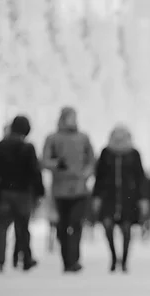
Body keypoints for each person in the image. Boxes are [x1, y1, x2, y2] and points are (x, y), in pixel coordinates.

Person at [0, 115, 45, 272]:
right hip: (23, 193)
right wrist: (39, 192)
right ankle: (25, 258)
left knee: (1, 227)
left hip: (4, 192)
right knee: (22, 227)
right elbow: (34, 172)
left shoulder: (0, 146)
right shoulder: (28, 148)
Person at [42, 106, 95, 273]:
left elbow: (92, 160)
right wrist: (57, 164)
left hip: (79, 189)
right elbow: (44, 160)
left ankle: (74, 259)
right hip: (60, 189)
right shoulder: (53, 138)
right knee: (62, 226)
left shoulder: (83, 138)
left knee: (76, 223)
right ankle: (66, 259)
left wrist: (87, 173)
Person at [92, 125, 149, 273]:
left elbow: (140, 176)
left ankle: (124, 261)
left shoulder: (134, 153)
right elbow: (99, 176)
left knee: (126, 228)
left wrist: (143, 198)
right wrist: (96, 196)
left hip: (129, 197)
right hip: (108, 196)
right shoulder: (106, 152)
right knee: (107, 225)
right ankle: (113, 256)